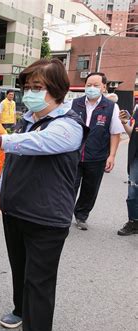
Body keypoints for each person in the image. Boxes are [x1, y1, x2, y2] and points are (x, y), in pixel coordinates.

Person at [0, 58, 87, 331]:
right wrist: (2, 192)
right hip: (15, 210)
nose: (29, 92)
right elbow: (14, 159)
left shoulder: (68, 125)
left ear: (56, 89)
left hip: (47, 219)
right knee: (19, 269)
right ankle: (20, 310)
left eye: (37, 86)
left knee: (39, 284)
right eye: (27, 86)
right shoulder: (28, 117)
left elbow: (35, 143)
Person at [72, 72, 125, 230]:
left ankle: (81, 216)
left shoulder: (111, 107)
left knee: (90, 189)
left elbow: (115, 132)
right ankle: (62, 214)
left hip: (97, 156)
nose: (91, 88)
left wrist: (112, 155)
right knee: (68, 186)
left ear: (104, 87)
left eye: (96, 85)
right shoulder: (74, 104)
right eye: (88, 85)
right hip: (73, 155)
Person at [117, 108, 138, 235]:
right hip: (136, 156)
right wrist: (125, 122)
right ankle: (133, 222)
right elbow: (133, 134)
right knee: (133, 191)